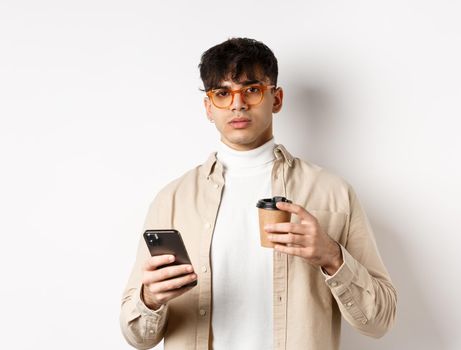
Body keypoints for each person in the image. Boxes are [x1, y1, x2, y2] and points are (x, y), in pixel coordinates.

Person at [120, 37, 397, 350]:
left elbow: (380, 320)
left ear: (276, 99)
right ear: (209, 107)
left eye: (251, 89)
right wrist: (151, 298)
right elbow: (137, 337)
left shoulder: (333, 193)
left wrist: (332, 257)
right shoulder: (172, 200)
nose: (238, 103)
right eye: (223, 93)